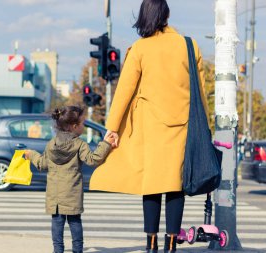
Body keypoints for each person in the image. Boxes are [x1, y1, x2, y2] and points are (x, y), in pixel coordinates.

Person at [89, 1, 209, 252]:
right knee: (176, 187)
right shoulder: (189, 45)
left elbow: (124, 91)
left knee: (152, 187)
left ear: (144, 16)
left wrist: (112, 127)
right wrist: (205, 126)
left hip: (150, 127)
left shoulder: (141, 48)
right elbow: (201, 92)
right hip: (183, 126)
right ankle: (171, 246)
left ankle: (151, 245)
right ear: (166, 14)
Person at [24, 105, 114, 253]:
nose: (84, 127)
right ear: (74, 126)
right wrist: (106, 144)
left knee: (57, 223)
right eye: (83, 124)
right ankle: (77, 250)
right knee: (75, 222)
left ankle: (57, 250)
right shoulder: (79, 144)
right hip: (72, 192)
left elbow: (42, 164)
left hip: (55, 194)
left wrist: (31, 154)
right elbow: (93, 160)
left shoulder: (51, 144)